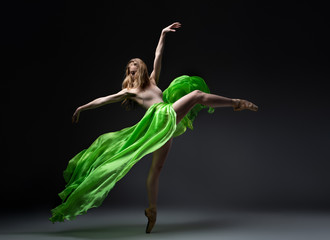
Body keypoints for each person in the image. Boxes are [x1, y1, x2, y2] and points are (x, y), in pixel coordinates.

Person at [49, 22, 258, 233]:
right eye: (129, 72)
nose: (132, 74)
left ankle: (152, 210)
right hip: (160, 118)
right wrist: (82, 107)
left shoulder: (152, 80)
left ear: (141, 69)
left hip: (164, 123)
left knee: (156, 170)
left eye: (135, 70)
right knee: (196, 96)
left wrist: (162, 34)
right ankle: (236, 102)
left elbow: (158, 55)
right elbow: (104, 99)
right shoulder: (131, 92)